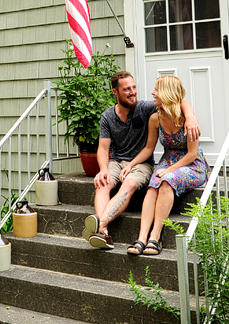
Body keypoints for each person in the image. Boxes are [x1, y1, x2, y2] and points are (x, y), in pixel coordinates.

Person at [84, 71, 200, 249]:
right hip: (118, 162)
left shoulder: (146, 108)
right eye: (127, 89)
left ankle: (100, 224)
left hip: (143, 164)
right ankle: (103, 232)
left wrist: (190, 115)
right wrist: (103, 169)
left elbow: (178, 101)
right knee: (102, 182)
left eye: (134, 87)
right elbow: (103, 148)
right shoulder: (108, 116)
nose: (133, 92)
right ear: (115, 92)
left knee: (131, 183)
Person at [123, 75, 210, 256]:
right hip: (167, 161)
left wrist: (169, 170)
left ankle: (155, 237)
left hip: (192, 164)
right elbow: (148, 148)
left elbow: (192, 154)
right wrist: (130, 164)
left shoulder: (189, 120)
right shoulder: (156, 118)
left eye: (157, 90)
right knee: (153, 185)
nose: (153, 93)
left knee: (166, 179)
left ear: (167, 93)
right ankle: (142, 237)